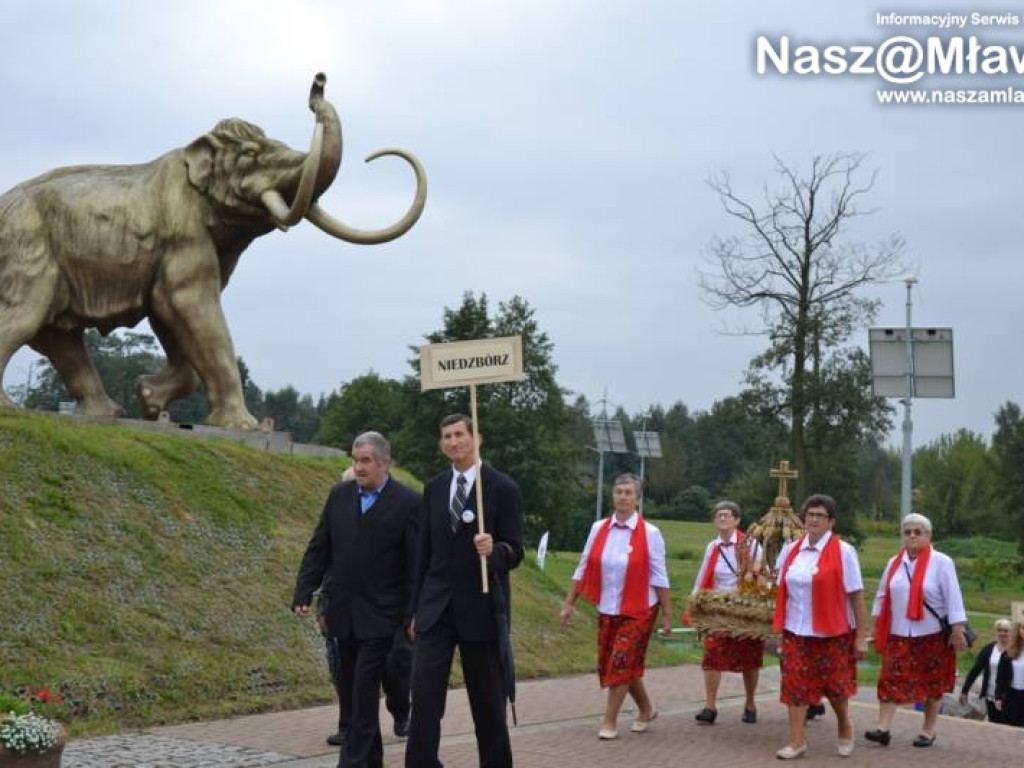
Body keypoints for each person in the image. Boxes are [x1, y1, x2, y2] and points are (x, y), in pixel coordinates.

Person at [292, 432, 421, 768]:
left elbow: (416, 564)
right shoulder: (339, 496)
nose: (359, 467)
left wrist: (413, 613)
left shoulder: (408, 503)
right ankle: (369, 758)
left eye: (366, 461)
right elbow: (320, 547)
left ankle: (351, 762)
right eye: (355, 460)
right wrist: (304, 591)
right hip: (343, 611)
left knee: (364, 688)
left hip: (383, 614)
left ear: (383, 463)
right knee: (351, 689)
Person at [406, 414, 524, 768]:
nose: (453, 441)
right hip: (436, 609)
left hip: (482, 608)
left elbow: (516, 550)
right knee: (424, 700)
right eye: (447, 436)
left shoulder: (502, 488)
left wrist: (496, 550)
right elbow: (422, 553)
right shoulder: (435, 488)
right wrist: (414, 610)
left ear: (476, 439)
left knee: (488, 704)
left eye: (460, 434)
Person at [560, 473, 673, 740]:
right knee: (617, 663)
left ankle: (609, 721)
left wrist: (667, 614)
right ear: (612, 495)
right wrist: (568, 604)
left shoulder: (651, 533)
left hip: (640, 609)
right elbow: (584, 565)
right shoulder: (599, 528)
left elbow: (659, 575)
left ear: (638, 499)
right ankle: (646, 709)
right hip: (608, 607)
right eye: (619, 491)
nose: (623, 497)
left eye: (629, 492)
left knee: (621, 662)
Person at [318, 469, 413, 748]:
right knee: (346, 672)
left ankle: (401, 713)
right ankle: (349, 726)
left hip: (384, 609)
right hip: (344, 606)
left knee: (393, 668)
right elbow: (325, 557)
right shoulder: (339, 509)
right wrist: (322, 605)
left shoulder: (398, 508)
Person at [772, 494, 867, 760]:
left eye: (820, 515)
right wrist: (778, 630)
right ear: (803, 518)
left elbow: (856, 597)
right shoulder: (791, 549)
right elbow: (782, 591)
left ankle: (844, 725)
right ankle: (797, 741)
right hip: (795, 631)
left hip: (831, 633)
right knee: (795, 686)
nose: (814, 519)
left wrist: (861, 636)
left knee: (835, 688)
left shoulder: (844, 552)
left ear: (831, 522)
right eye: (810, 514)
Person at [866, 512, 968, 748]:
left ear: (928, 536)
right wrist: (876, 624)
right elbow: (882, 596)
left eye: (917, 532)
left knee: (933, 683)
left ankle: (928, 730)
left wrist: (957, 629)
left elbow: (953, 597)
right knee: (890, 678)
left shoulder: (942, 562)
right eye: (907, 532)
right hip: (899, 633)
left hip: (931, 635)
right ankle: (883, 728)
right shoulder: (894, 563)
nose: (912, 536)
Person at [690, 500, 763, 725]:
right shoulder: (712, 547)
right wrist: (695, 600)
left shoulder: (750, 545)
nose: (722, 519)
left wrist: (740, 590)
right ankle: (710, 706)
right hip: (718, 610)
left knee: (749, 659)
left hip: (744, 610)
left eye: (727, 515)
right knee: (712, 655)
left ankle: (750, 703)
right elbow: (703, 575)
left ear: (737, 520)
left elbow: (759, 576)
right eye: (718, 515)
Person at [960, 618, 1014, 724]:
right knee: (993, 722)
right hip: (990, 693)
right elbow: (975, 670)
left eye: (1005, 630)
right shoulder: (989, 649)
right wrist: (964, 690)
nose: (1002, 633)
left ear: (1011, 632)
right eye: (999, 630)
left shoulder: (1015, 650)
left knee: (1008, 724)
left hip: (1009, 695)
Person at [993, 620, 1024, 727]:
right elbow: (1000, 677)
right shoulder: (1008, 653)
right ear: (1019, 630)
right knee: (1010, 726)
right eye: (1023, 628)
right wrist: (998, 696)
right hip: (1011, 696)